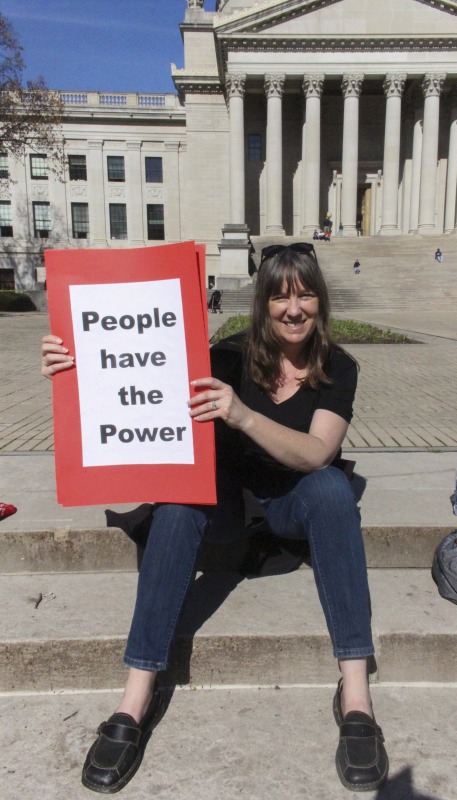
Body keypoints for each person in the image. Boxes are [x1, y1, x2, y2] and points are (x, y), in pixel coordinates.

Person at [41, 243, 388, 794]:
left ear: (321, 301)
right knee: (178, 501)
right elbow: (145, 375)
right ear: (262, 304)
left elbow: (317, 452)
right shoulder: (228, 355)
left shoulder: (338, 368)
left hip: (292, 502)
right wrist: (77, 362)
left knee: (330, 489)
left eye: (305, 294)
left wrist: (244, 416)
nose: (293, 308)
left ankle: (355, 698)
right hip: (226, 506)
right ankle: (135, 698)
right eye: (279, 296)